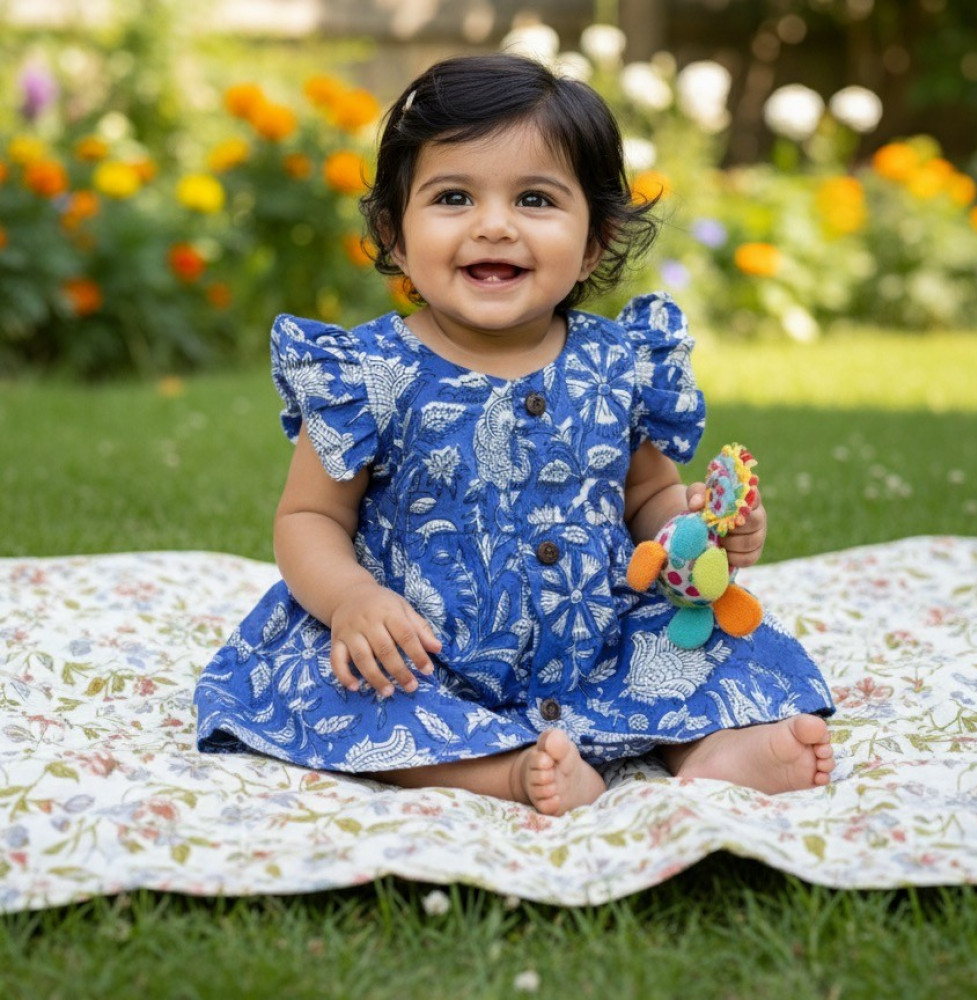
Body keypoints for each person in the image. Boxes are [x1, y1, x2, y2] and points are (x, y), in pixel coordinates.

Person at [195, 53, 835, 815]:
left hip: (597, 634)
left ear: (594, 241)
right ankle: (499, 771)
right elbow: (309, 518)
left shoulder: (619, 363)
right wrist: (352, 602)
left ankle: (711, 749)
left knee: (702, 639)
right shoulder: (365, 373)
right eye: (454, 196)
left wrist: (693, 534)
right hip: (421, 647)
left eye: (534, 198)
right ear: (394, 234)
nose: (493, 226)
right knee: (338, 689)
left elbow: (650, 494)